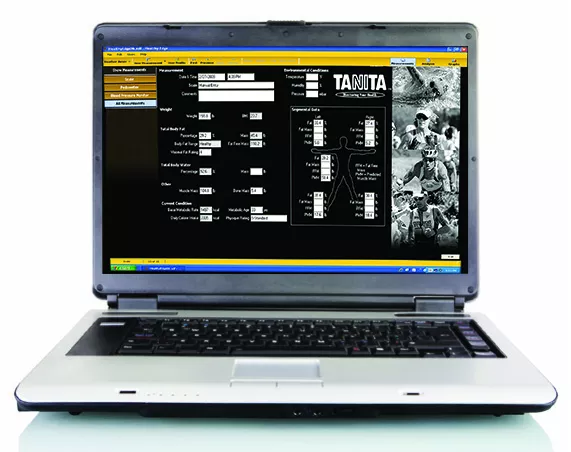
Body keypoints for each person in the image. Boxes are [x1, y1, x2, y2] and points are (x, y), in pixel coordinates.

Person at [311, 136, 376, 208]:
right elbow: (360, 152)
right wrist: (317, 151)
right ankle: (328, 205)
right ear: (345, 143)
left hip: (343, 172)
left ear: (341, 143)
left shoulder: (341, 151)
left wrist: (317, 151)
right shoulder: (345, 151)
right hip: (343, 172)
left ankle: (328, 205)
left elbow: (326, 151)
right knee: (348, 190)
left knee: (346, 190)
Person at [442, 126, 459, 192]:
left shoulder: (444, 142)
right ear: (453, 134)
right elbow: (450, 155)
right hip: (449, 162)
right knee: (453, 172)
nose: (457, 134)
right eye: (456, 132)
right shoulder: (451, 144)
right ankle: (454, 186)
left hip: (443, 161)